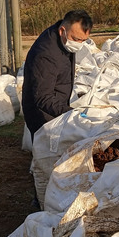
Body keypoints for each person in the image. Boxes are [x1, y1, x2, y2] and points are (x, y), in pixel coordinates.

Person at [21, 9, 93, 141]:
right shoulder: (46, 55)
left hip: (56, 105)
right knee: (49, 148)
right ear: (62, 31)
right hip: (43, 114)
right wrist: (70, 113)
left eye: (83, 40)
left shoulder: (63, 40)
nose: (79, 45)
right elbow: (43, 97)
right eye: (76, 39)